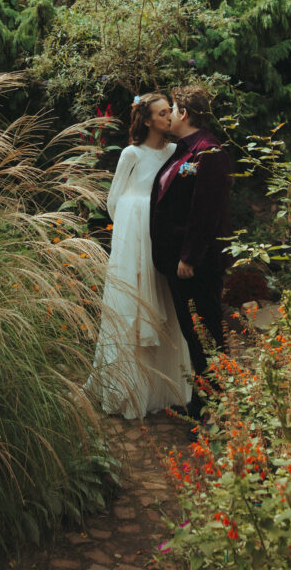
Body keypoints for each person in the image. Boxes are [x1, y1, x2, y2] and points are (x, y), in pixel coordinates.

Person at [87, 93, 192, 419]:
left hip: (163, 237)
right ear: (146, 120)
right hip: (136, 237)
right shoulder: (131, 153)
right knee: (134, 304)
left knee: (165, 301)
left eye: (169, 111)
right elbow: (114, 201)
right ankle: (129, 388)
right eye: (161, 114)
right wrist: (134, 225)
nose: (168, 117)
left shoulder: (176, 152)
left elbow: (185, 183)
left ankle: (166, 387)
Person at [149, 85, 232, 416]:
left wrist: (189, 257)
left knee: (207, 336)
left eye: (172, 108)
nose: (169, 114)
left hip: (198, 265)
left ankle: (217, 411)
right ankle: (202, 404)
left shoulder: (208, 152)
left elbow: (206, 211)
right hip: (179, 262)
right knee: (194, 335)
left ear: (184, 113)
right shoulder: (185, 151)